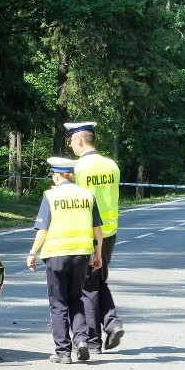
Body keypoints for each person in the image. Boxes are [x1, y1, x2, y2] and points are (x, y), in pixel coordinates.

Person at [27, 157, 103, 364]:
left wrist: (33, 252)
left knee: (58, 302)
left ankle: (62, 352)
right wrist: (98, 255)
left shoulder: (51, 196)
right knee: (76, 298)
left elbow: (43, 229)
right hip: (82, 254)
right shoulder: (88, 196)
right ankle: (81, 341)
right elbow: (98, 230)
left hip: (56, 255)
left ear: (57, 175)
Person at [65, 121, 125, 352]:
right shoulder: (111, 165)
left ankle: (94, 339)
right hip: (110, 232)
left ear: (80, 140)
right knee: (98, 281)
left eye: (71, 142)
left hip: (88, 233)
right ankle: (111, 324)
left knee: (87, 287)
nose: (71, 147)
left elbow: (76, 202)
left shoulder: (79, 169)